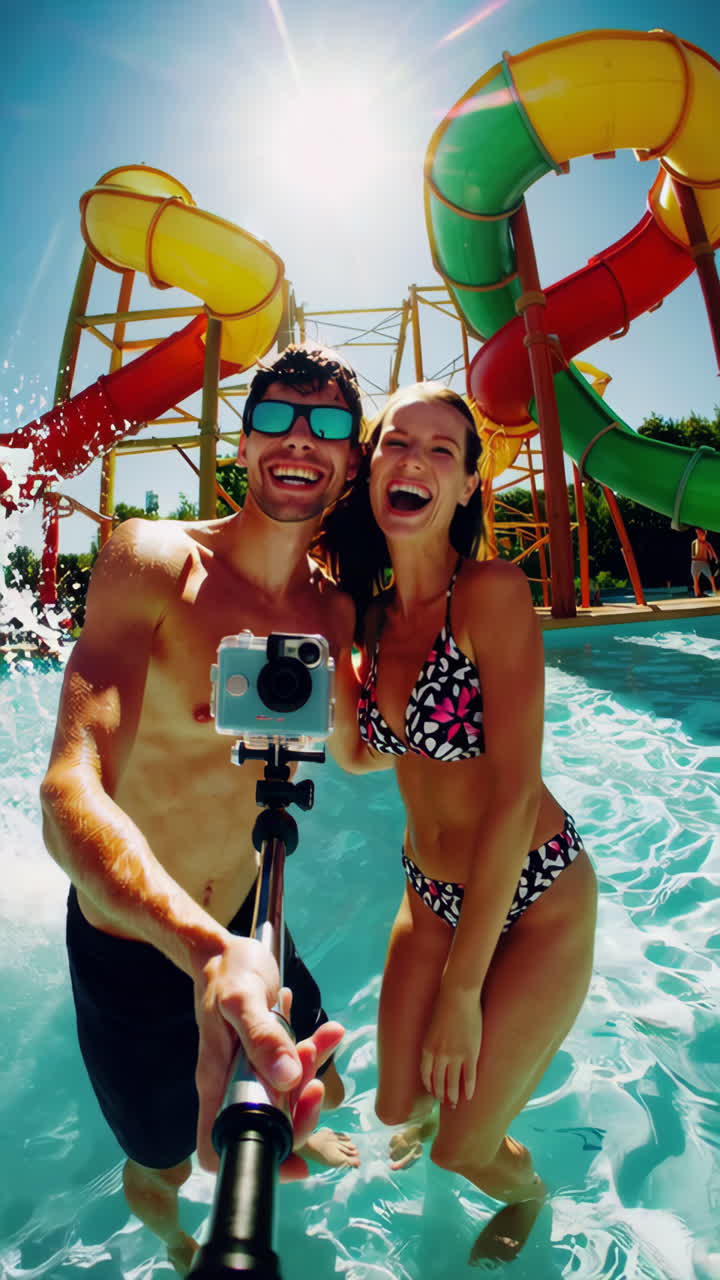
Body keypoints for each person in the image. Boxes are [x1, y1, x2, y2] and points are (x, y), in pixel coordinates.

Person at [40, 344, 365, 1275]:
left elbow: (361, 752)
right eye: (276, 417)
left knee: (328, 1081)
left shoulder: (334, 613)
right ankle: (175, 1239)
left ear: (351, 462)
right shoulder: (152, 560)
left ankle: (295, 1122)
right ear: (243, 441)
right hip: (136, 943)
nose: (299, 438)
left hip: (250, 921)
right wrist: (203, 951)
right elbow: (69, 788)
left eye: (328, 423)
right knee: (164, 1160)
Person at [321, 382, 598, 1265]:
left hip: (536, 889)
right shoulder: (369, 619)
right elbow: (362, 753)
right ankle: (464, 1101)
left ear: (470, 484)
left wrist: (462, 992)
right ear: (370, 468)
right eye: (397, 443)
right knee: (397, 1108)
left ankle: (530, 1192)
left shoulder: (488, 594)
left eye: (443, 450)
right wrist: (328, 650)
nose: (416, 461)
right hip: (431, 893)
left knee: (462, 1150)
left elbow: (513, 795)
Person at [690, 528, 718, 597]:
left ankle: (714, 591)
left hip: (704, 562)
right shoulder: (695, 542)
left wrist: (715, 558)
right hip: (695, 562)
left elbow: (712, 551)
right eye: (699, 534)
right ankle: (697, 594)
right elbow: (693, 554)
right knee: (695, 579)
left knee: (711, 578)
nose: (702, 536)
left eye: (703, 534)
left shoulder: (707, 543)